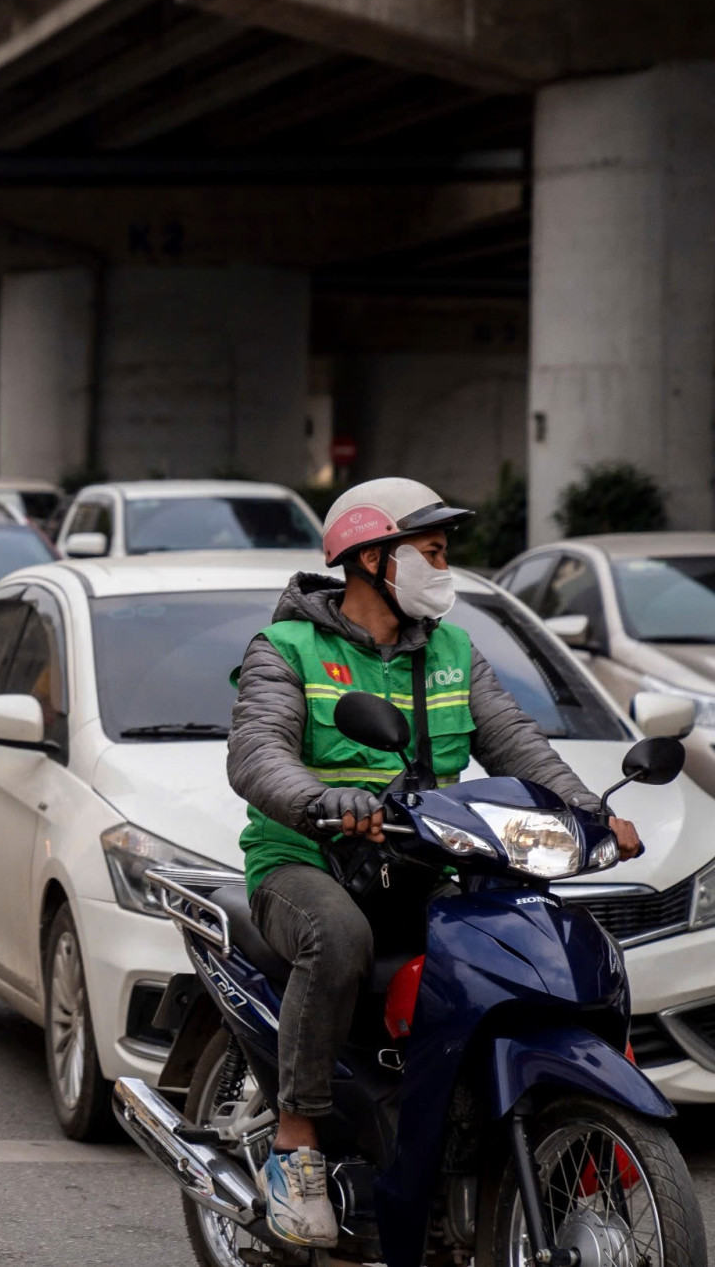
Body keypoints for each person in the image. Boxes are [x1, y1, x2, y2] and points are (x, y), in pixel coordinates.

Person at [226, 477, 645, 1249]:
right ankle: (297, 1141)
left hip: (420, 863)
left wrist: (593, 814)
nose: (444, 567)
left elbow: (517, 744)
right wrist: (324, 801)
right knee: (339, 937)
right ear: (372, 558)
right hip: (304, 862)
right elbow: (256, 755)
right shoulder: (287, 649)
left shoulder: (451, 650)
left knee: (513, 941)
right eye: (432, 550)